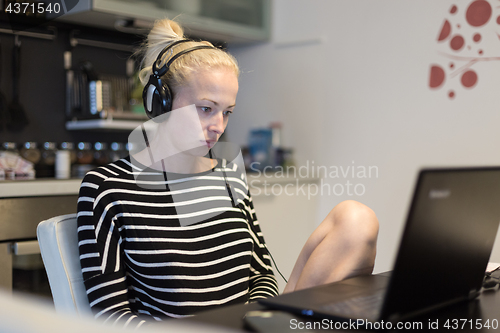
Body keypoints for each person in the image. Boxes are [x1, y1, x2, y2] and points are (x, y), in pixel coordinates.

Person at [77, 19, 379, 328]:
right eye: (206, 108)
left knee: (356, 219)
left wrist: (251, 321)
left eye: (227, 111)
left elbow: (261, 274)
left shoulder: (228, 176)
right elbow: (110, 317)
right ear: (161, 102)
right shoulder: (106, 188)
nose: (219, 126)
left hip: (250, 327)